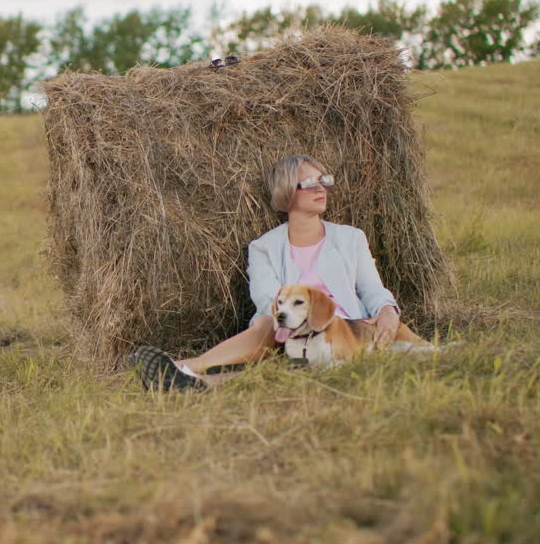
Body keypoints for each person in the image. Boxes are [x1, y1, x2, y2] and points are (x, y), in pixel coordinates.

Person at [131, 154, 403, 390]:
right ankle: (189, 375)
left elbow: (372, 289)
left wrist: (387, 311)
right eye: (309, 183)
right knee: (266, 320)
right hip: (287, 335)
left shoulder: (351, 238)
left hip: (342, 332)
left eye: (324, 180)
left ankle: (183, 369)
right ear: (286, 191)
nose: (320, 188)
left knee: (275, 340)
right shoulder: (264, 247)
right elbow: (266, 299)